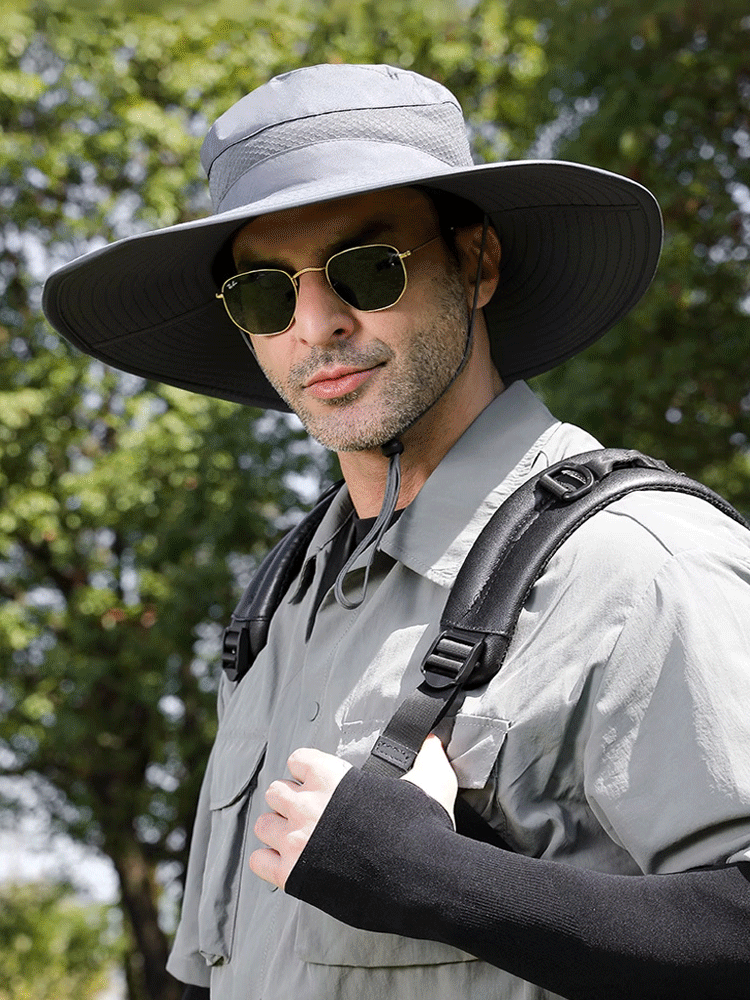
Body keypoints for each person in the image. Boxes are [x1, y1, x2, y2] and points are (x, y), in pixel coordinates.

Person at [42, 64, 750, 1000]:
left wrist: (445, 883)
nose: (316, 325)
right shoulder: (281, 605)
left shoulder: (638, 562)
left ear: (477, 264)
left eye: (366, 269)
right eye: (263, 294)